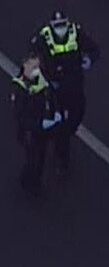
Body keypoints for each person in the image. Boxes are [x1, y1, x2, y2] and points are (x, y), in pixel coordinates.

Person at [30, 10, 99, 175]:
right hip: (55, 87)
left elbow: (94, 49)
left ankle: (65, 135)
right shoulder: (44, 37)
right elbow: (32, 54)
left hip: (74, 84)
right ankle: (62, 159)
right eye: (57, 26)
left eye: (63, 25)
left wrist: (89, 60)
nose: (60, 29)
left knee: (77, 114)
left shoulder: (76, 32)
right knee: (61, 124)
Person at [9, 54, 63, 193]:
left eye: (38, 66)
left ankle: (35, 179)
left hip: (43, 128)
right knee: (33, 158)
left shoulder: (41, 79)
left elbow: (51, 94)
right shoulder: (19, 89)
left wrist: (56, 110)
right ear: (24, 65)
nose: (37, 70)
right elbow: (21, 118)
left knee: (41, 156)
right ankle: (27, 181)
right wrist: (41, 124)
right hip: (30, 133)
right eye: (33, 67)